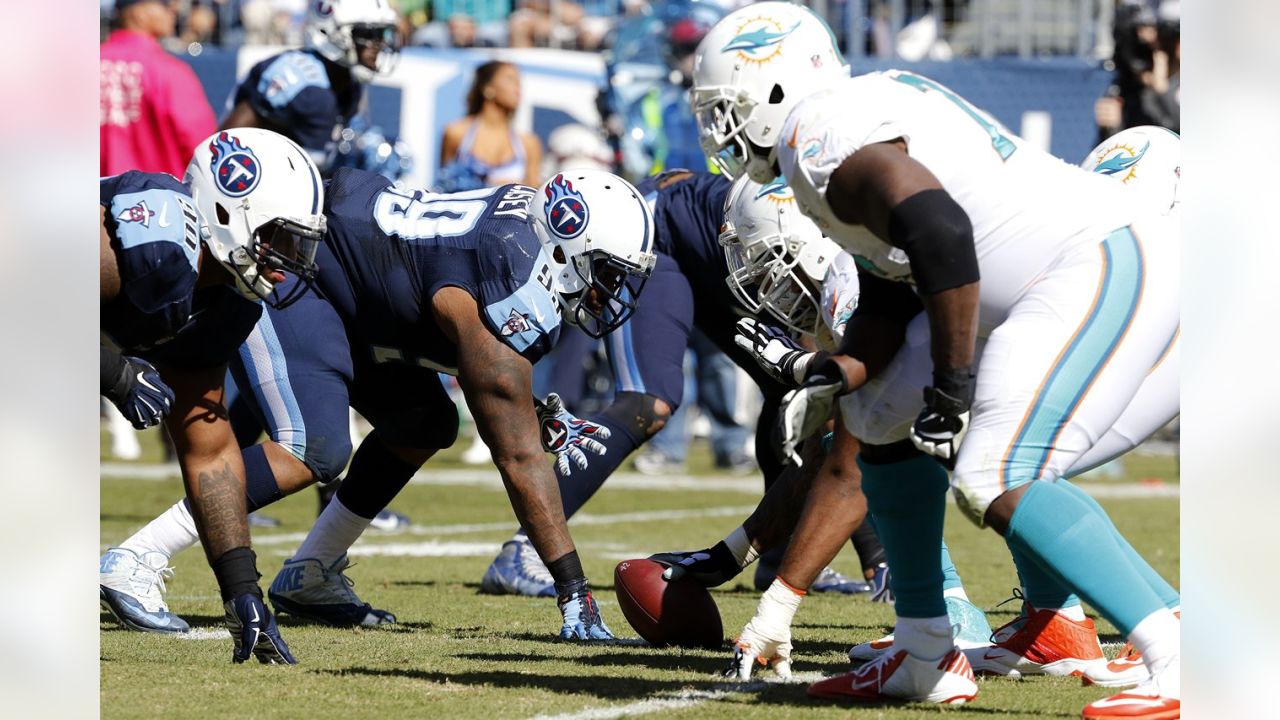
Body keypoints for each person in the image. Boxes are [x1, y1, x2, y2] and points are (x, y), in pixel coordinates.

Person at [691, 4, 1180, 717]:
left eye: (723, 108)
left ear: (770, 86)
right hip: (1064, 274)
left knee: (994, 470)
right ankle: (925, 651)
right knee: (879, 406)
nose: (719, 129)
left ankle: (1177, 647)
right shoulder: (847, 118)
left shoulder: (818, 135)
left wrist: (952, 386)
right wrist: (835, 375)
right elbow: (894, 297)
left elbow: (941, 233)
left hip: (1093, 266)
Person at [100, 167, 656, 640]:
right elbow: (517, 455)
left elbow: (447, 332)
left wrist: (526, 405)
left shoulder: (521, 243)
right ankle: (135, 557)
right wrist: (574, 589)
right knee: (313, 447)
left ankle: (311, 572)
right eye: (607, 273)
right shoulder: (512, 281)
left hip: (359, 293)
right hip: (301, 267)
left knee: (424, 421)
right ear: (565, 243)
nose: (609, 293)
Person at [478, 170, 880, 598]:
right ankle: (526, 548)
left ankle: (782, 557)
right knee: (648, 402)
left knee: (796, 392)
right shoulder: (802, 231)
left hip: (721, 259)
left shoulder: (837, 246)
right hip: (662, 239)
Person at [101, 128, 327, 664]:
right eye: (282, 239)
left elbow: (211, 453)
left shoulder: (226, 300)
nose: (288, 261)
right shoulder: (158, 239)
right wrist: (115, 374)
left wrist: (241, 591)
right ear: (229, 211)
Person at [222, 0, 401, 172]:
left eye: (381, 34)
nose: (380, 44)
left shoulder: (349, 83)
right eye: (368, 35)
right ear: (334, 33)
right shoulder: (305, 86)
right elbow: (223, 144)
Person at [100, 0, 217, 178]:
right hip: (159, 202)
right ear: (138, 13)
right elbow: (204, 151)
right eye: (164, 4)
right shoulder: (168, 70)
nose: (173, 11)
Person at [438, 61, 544, 191]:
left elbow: (534, 194)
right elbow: (443, 188)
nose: (518, 88)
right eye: (510, 79)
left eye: (519, 82)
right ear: (487, 88)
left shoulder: (528, 143)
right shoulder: (456, 133)